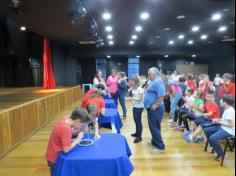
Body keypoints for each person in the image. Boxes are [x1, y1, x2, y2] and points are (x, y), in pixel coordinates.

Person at [45, 108, 90, 176]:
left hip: (51, 153)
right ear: (78, 121)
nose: (81, 127)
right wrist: (78, 139)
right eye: (82, 125)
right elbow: (66, 150)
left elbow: (62, 136)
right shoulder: (66, 129)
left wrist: (71, 138)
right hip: (55, 158)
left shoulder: (66, 118)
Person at [204, 95, 235, 161]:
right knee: (206, 130)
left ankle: (221, 154)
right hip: (223, 127)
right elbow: (226, 120)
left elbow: (231, 125)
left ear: (225, 102)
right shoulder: (227, 108)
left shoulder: (230, 111)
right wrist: (218, 120)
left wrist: (218, 122)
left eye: (221, 100)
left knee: (213, 137)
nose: (219, 101)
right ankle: (214, 147)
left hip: (229, 130)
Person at [144, 67, 166, 154]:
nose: (148, 76)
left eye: (150, 74)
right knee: (154, 126)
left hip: (156, 109)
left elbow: (162, 94)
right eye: (148, 74)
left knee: (154, 127)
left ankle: (160, 147)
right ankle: (154, 141)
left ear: (155, 74)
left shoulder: (157, 81)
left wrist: (156, 104)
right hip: (152, 108)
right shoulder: (155, 81)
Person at [127, 76, 144, 143]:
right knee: (136, 120)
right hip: (135, 106)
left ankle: (139, 137)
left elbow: (140, 99)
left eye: (132, 81)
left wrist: (131, 98)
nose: (131, 82)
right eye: (131, 81)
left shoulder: (140, 89)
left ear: (136, 82)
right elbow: (129, 89)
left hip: (139, 107)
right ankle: (137, 133)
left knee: (138, 122)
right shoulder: (134, 88)